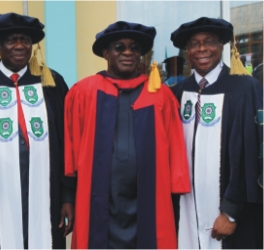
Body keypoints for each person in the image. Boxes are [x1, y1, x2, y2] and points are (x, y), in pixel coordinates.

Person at [64, 21, 191, 249]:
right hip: (99, 194)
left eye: (134, 47)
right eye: (119, 47)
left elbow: (175, 146)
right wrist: (69, 191)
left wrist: (177, 184)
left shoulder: (161, 95)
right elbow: (71, 145)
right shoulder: (84, 92)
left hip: (149, 193)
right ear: (106, 53)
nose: (128, 53)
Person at [0, 13, 76, 249]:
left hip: (48, 197)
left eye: (25, 39)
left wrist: (68, 197)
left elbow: (67, 142)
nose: (19, 46)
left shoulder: (51, 82)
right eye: (11, 40)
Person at [170, 17, 263, 249]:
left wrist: (232, 212)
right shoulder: (176, 93)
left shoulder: (244, 88)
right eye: (194, 43)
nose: (202, 48)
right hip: (185, 209)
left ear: (222, 46)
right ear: (187, 51)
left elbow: (252, 153)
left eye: (209, 41)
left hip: (231, 213)